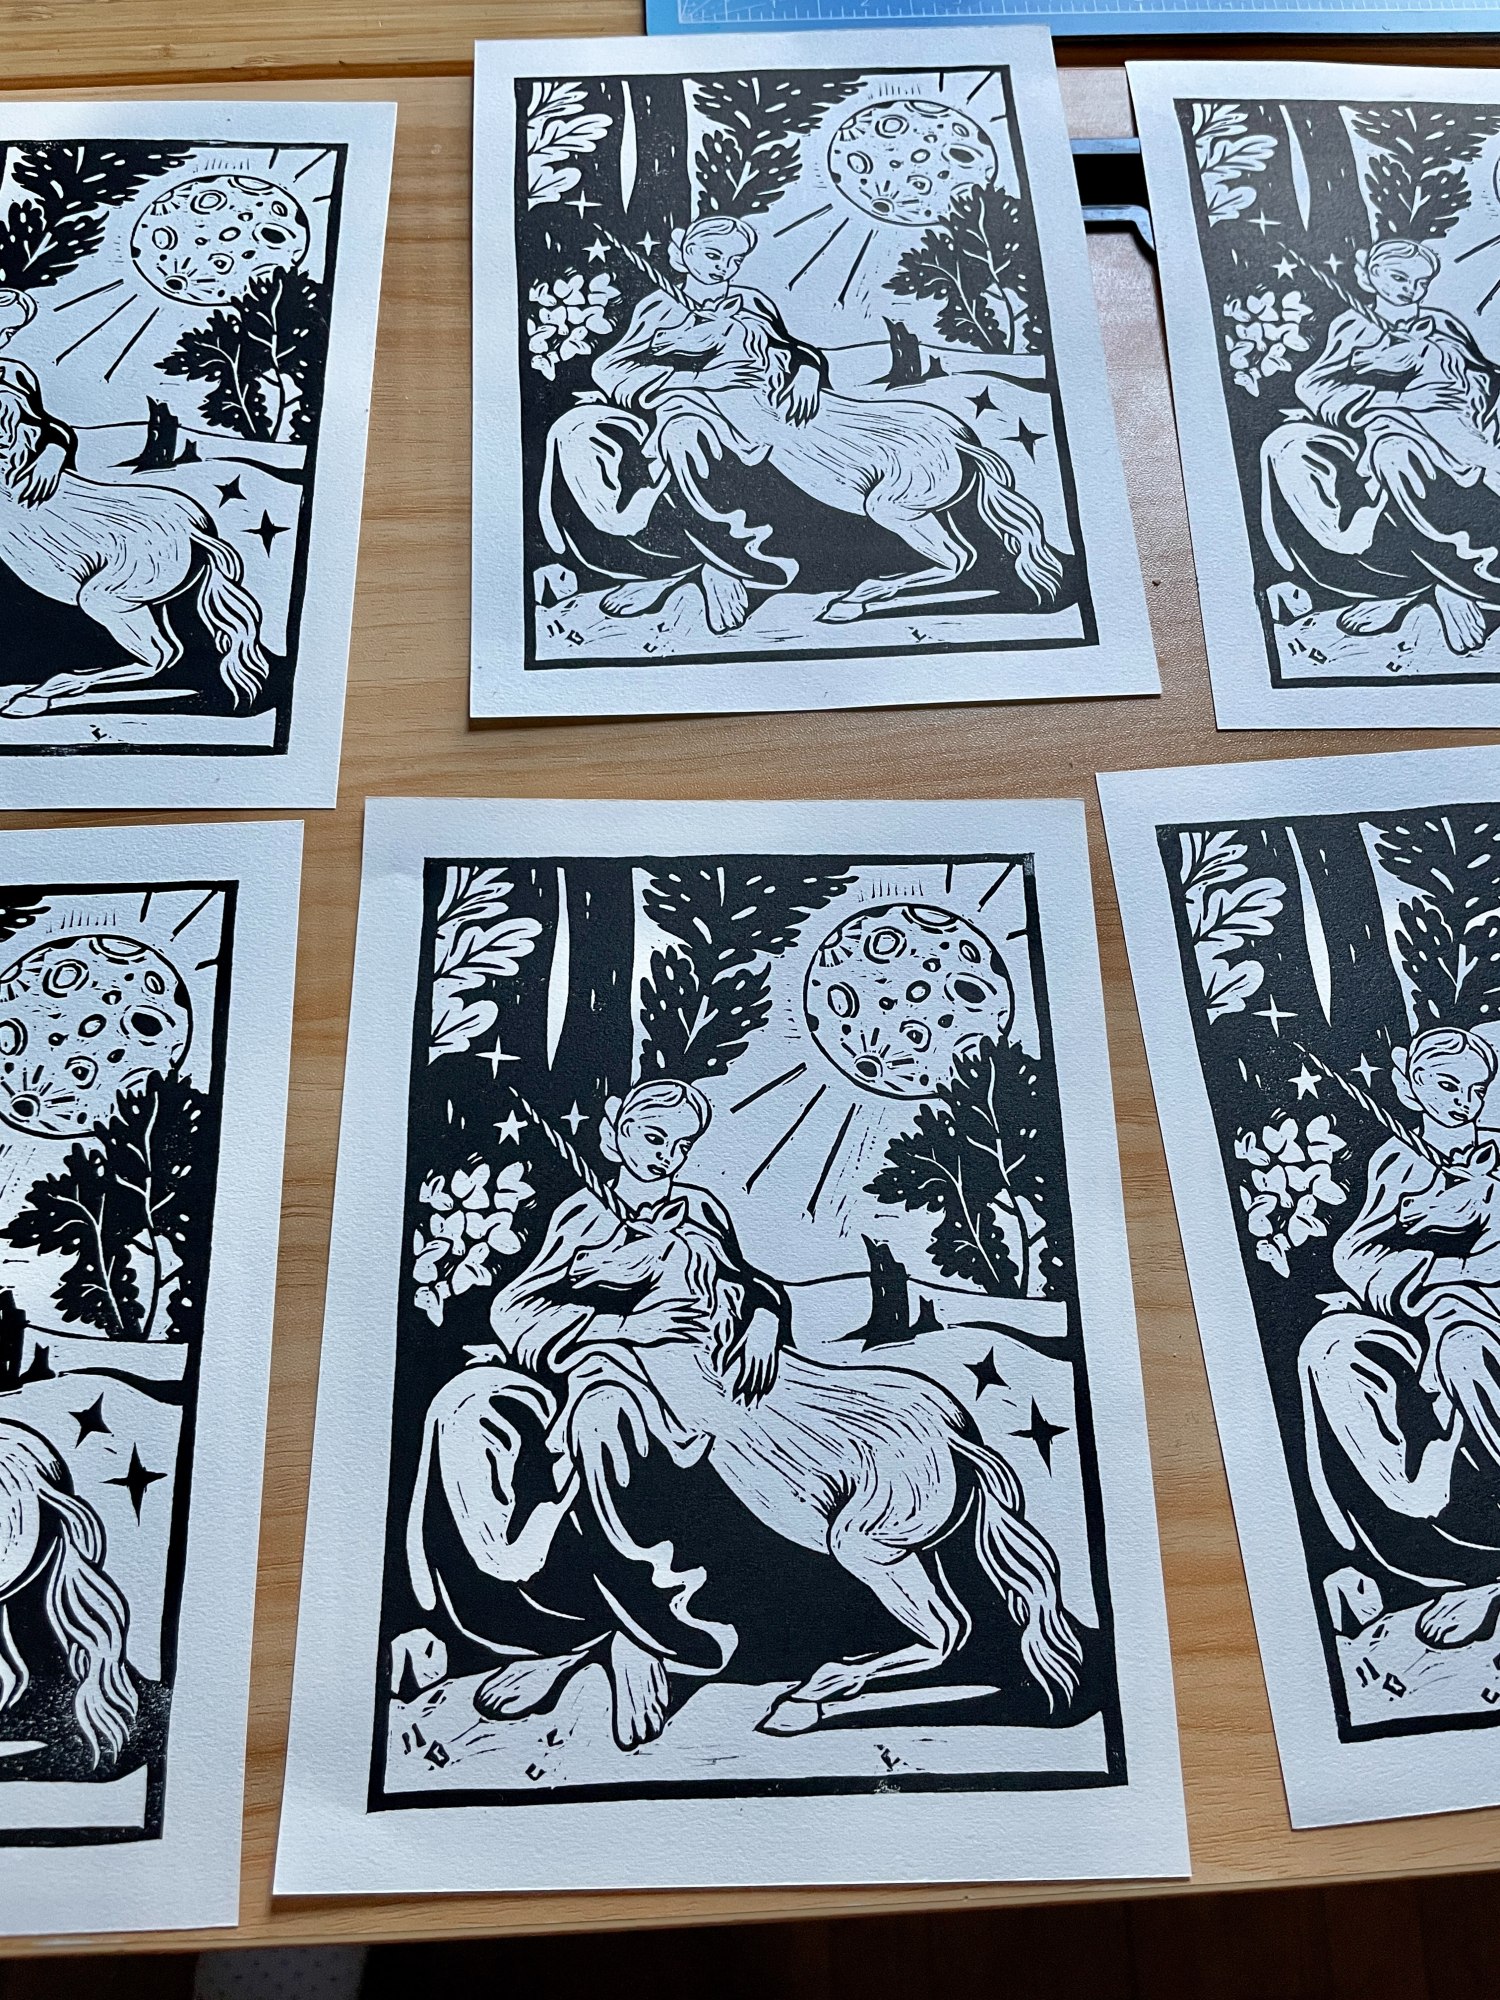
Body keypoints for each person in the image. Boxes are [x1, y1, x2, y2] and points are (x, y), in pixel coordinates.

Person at [406, 1079, 789, 1749]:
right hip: (600, 1372)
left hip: (698, 1381)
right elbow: (516, 1308)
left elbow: (749, 1280)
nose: (666, 1155)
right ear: (616, 1134)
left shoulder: (700, 1209)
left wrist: (764, 1320)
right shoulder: (583, 1216)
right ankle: (620, 1636)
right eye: (654, 1138)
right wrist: (622, 1328)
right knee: (589, 1420)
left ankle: (634, 1640)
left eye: (681, 1145)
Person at [1300, 1027, 1500, 1648]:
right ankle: (1431, 1554)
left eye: (1476, 1089)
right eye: (1447, 1086)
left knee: (1465, 1347)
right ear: (1411, 1087)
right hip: (1422, 1311)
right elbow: (1356, 1253)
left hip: (1483, 1312)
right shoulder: (1398, 1162)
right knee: (1331, 1348)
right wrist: (1443, 1268)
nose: (1463, 1102)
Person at [1261, 239, 1500, 656]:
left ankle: (1459, 584)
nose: (1411, 289)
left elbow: (1482, 375)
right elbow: (1314, 385)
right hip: (1374, 428)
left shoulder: (1442, 325)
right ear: (1370, 275)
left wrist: (1444, 368)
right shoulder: (1353, 327)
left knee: (1403, 454)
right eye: (1400, 278)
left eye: (1421, 282)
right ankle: (1396, 587)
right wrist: (1390, 399)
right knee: (1292, 448)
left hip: (1450, 431)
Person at [0, 290, 78, 506]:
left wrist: (54, 453)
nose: (1, 337)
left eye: (10, 332)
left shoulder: (15, 373)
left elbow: (47, 423)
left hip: (19, 480)